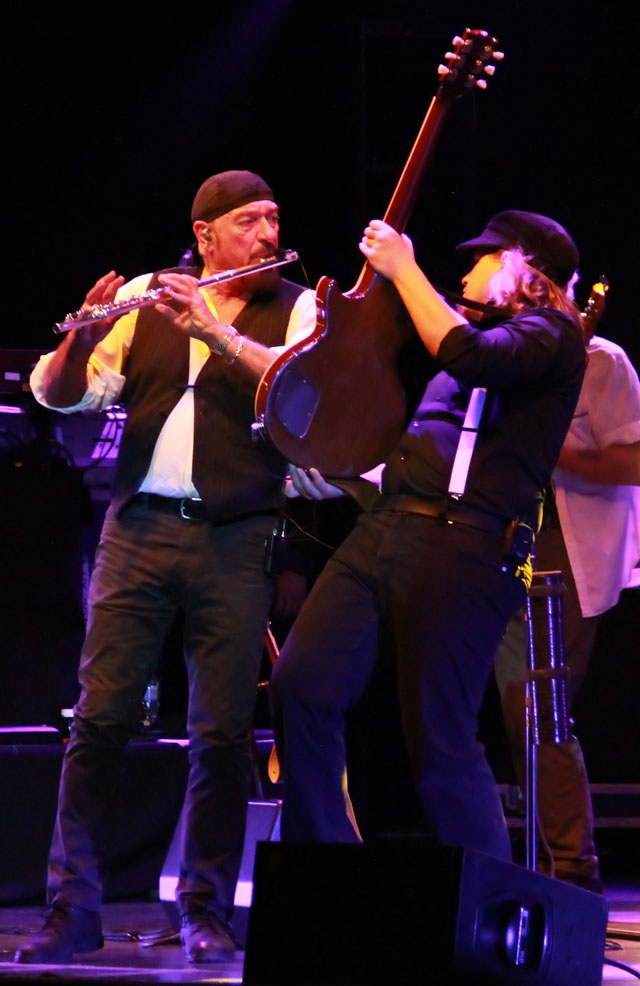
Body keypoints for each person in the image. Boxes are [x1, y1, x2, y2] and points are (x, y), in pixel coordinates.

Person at [16, 170, 315, 965]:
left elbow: (305, 398)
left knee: (219, 733)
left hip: (237, 534)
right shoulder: (151, 294)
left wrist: (216, 334)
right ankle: (71, 910)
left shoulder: (300, 307)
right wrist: (80, 337)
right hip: (139, 528)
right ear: (207, 232)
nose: (266, 234)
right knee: (100, 720)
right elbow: (61, 397)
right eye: (249, 221)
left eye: (273, 219)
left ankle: (204, 910)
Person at [268, 210, 587, 861]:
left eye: (482, 259)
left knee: (440, 739)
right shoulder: (469, 334)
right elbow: (427, 447)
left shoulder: (553, 335)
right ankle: (325, 869)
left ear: (523, 268)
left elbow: (472, 359)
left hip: (465, 545)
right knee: (302, 684)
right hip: (388, 528)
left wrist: (404, 266)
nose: (465, 272)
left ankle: (493, 922)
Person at [494, 309, 640, 892]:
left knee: (540, 710)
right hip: (492, 540)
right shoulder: (492, 355)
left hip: (563, 549)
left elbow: (633, 459)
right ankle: (529, 867)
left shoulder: (601, 360)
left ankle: (574, 876)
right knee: (511, 713)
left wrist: (550, 451)